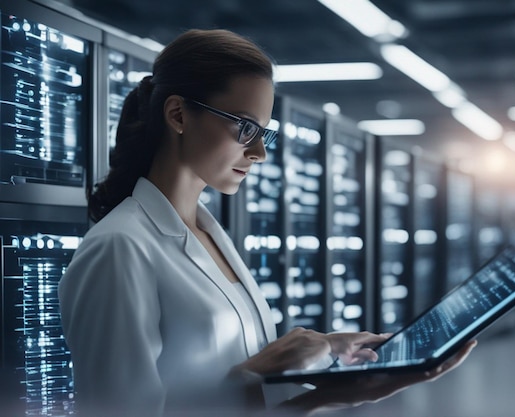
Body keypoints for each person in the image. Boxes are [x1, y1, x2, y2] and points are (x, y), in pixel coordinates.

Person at [58, 29, 475, 417]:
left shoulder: (210, 235)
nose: (258, 151)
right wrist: (257, 371)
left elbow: (250, 404)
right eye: (245, 127)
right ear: (179, 115)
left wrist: (340, 381)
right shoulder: (119, 247)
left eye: (264, 133)